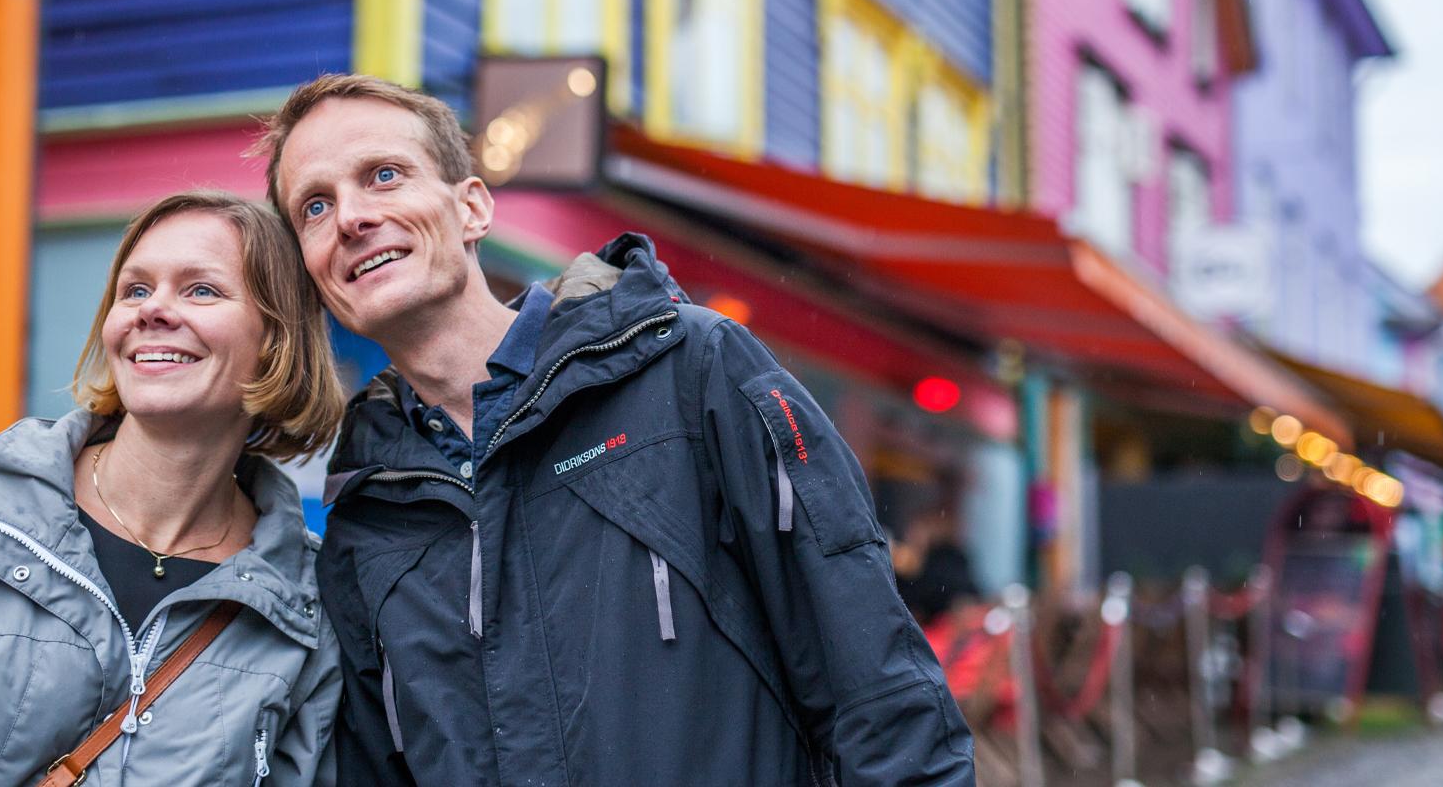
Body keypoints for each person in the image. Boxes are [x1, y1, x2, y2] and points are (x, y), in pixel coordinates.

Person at [256, 73, 974, 786]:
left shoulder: (693, 371)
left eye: (384, 175)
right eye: (315, 205)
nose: (351, 217)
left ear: (472, 207)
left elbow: (877, 693)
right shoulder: (366, 512)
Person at [0, 191, 345, 786]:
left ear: (276, 340)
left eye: (201, 290)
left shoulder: (305, 603)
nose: (152, 310)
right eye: (134, 290)